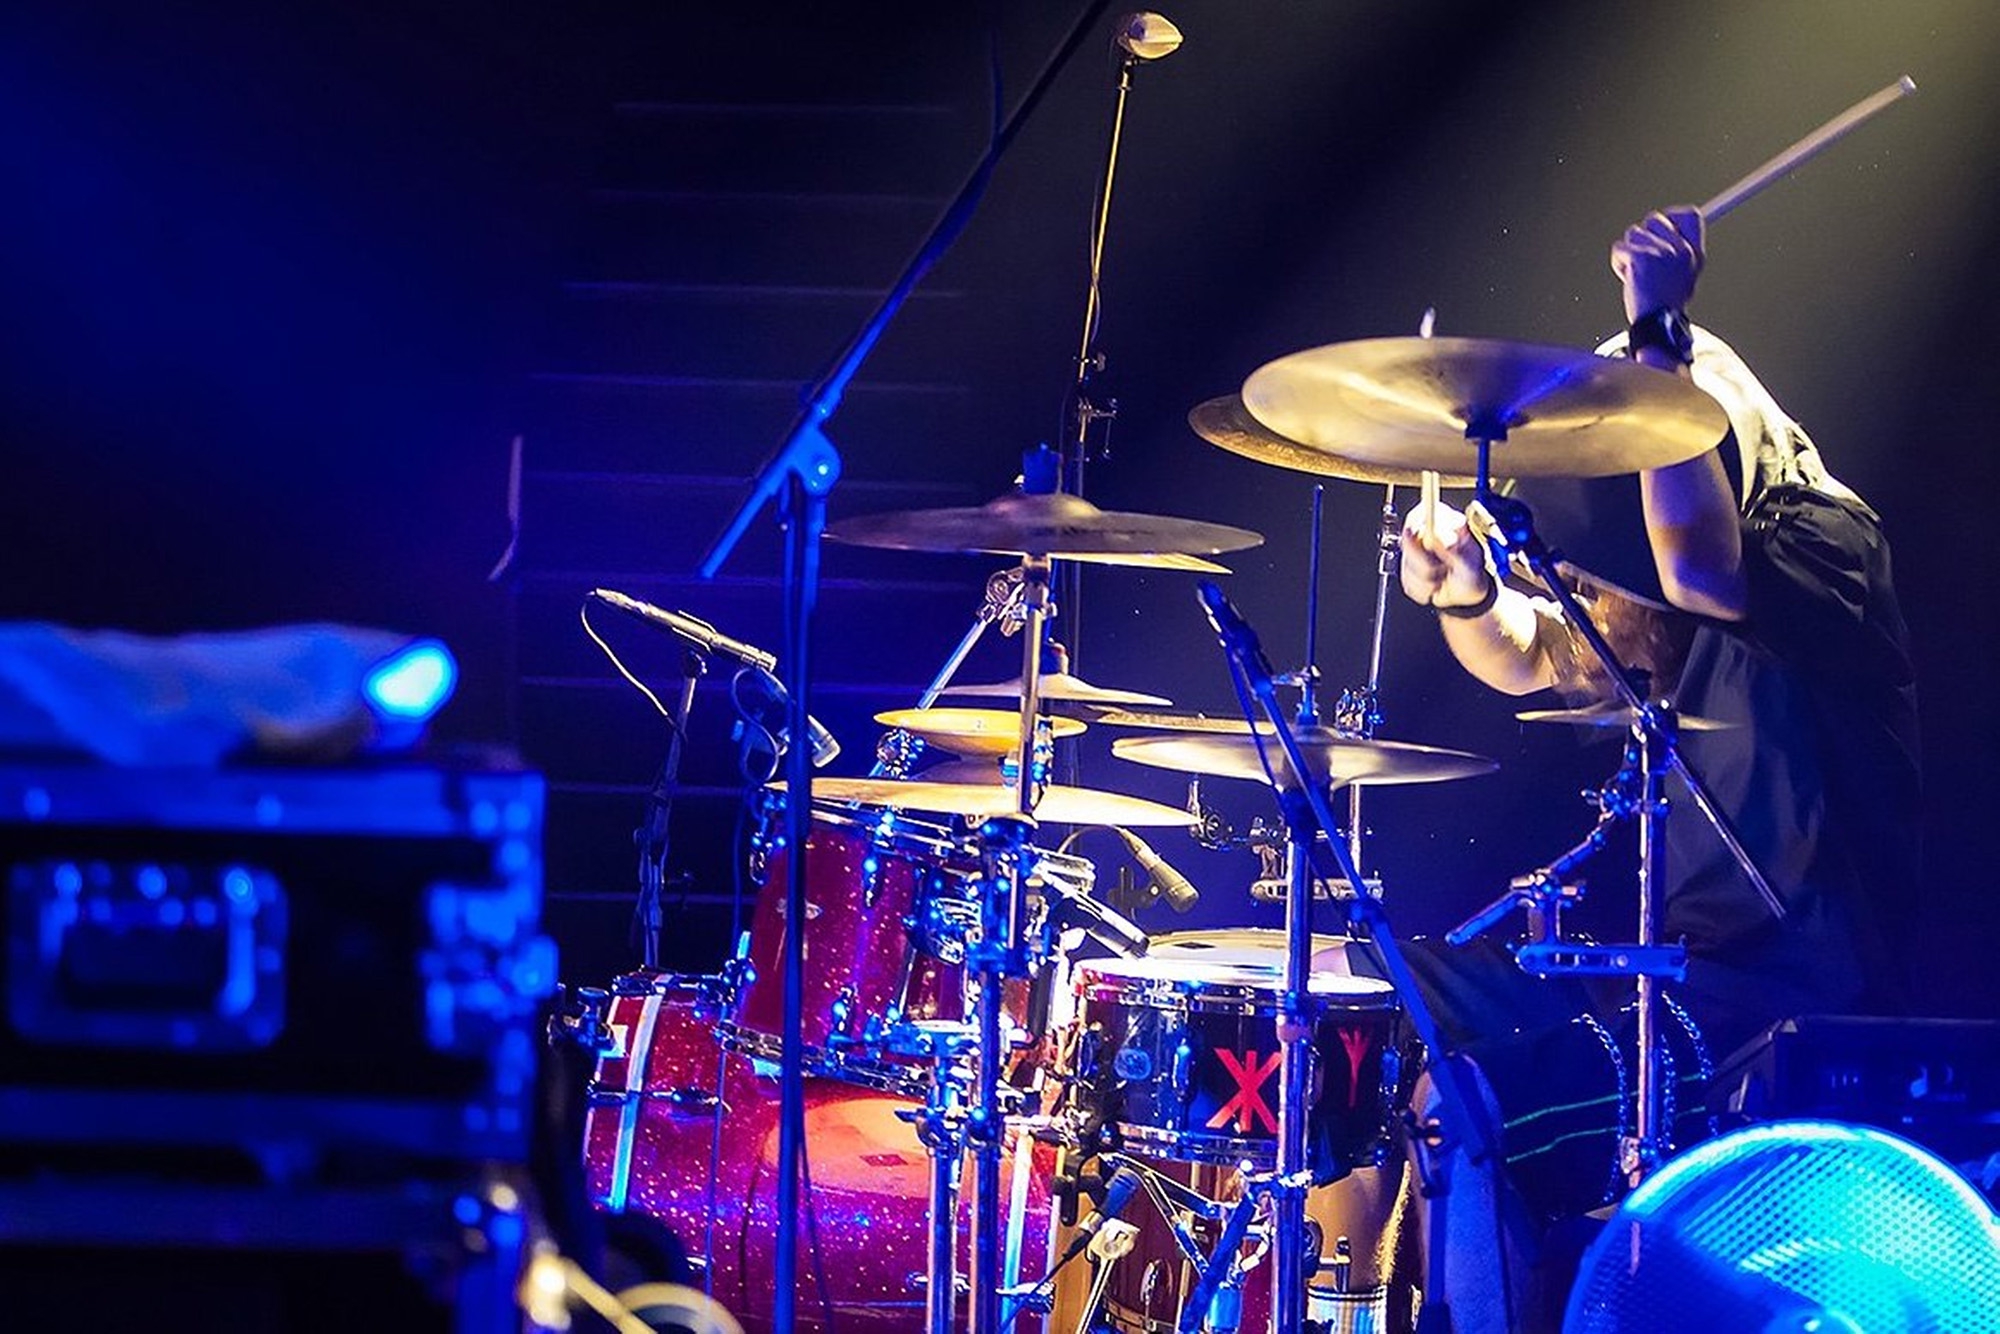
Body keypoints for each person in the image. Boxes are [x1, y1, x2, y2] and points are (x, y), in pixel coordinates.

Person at [1385, 206, 1922, 1331]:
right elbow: (1536, 654)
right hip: (1676, 979)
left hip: (1785, 1007)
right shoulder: (1660, 591)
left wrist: (1658, 338)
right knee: (1391, 990)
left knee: (1470, 1100)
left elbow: (1699, 567)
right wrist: (1467, 595)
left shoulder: (1822, 541)